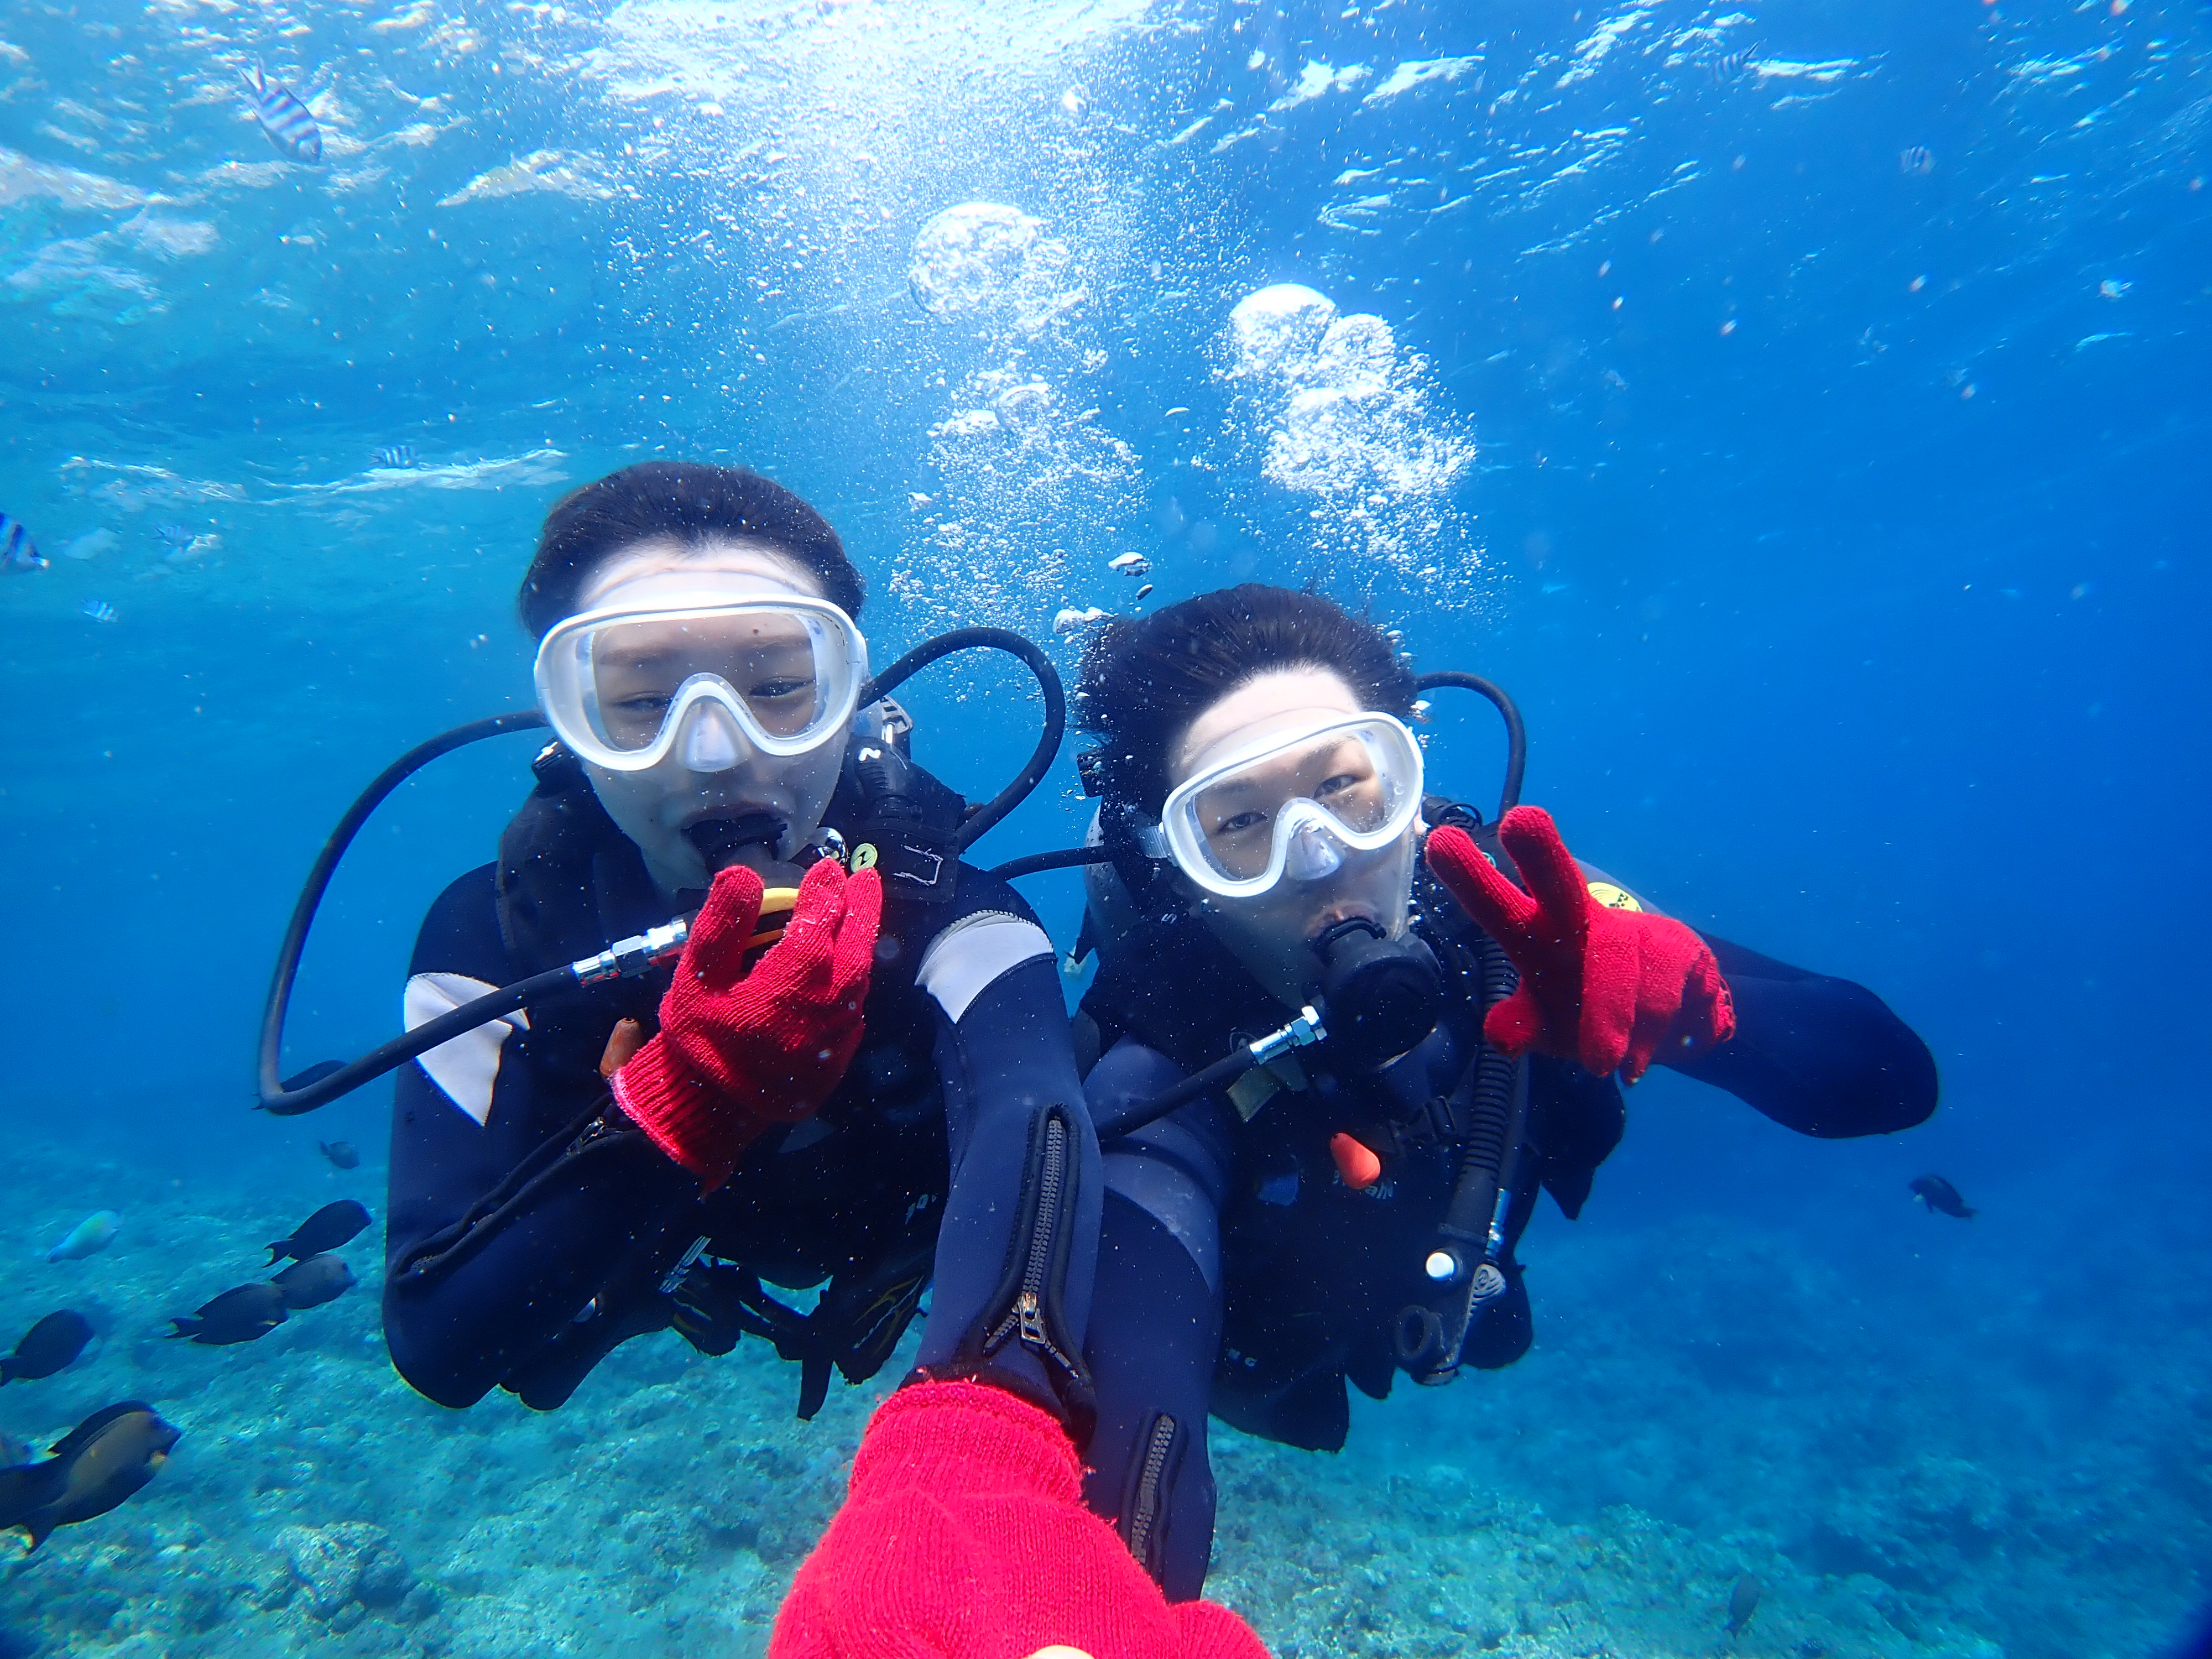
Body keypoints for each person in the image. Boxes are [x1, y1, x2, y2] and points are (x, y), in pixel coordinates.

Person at [383, 462, 1266, 1657]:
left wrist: (975, 1462)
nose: (714, 753)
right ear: (567, 723)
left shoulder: (953, 916)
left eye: (777, 690)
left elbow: (1030, 1116)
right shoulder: (495, 940)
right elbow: (438, 1336)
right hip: (674, 1252)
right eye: (638, 702)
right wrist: (687, 1102)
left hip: (894, 1247)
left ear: (848, 697)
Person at [1068, 584, 1939, 1600]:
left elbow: (1890, 1083)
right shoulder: (1161, 1049)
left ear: (1411, 788)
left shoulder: (1521, 923)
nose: (1318, 858)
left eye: (1348, 788)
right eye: (1240, 823)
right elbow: (1133, 1385)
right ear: (1179, 863)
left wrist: (1704, 1012)